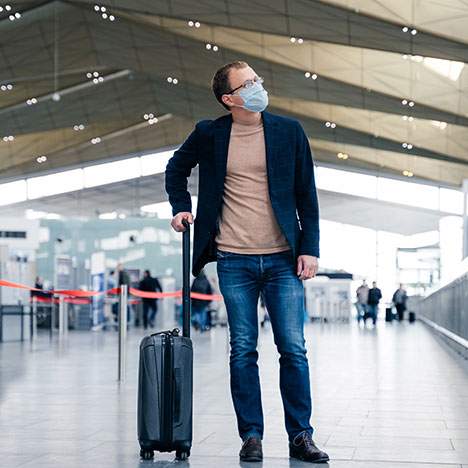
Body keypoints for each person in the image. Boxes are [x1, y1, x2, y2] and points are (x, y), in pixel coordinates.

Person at [165, 61, 328, 463]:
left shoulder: (289, 131)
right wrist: (181, 208)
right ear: (229, 98)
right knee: (242, 349)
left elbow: (306, 193)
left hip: (282, 260)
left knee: (293, 348)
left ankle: (300, 436)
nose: (258, 85)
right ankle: (251, 435)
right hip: (233, 259)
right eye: (248, 83)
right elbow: (176, 168)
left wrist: (310, 247)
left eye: (257, 78)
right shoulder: (210, 133)